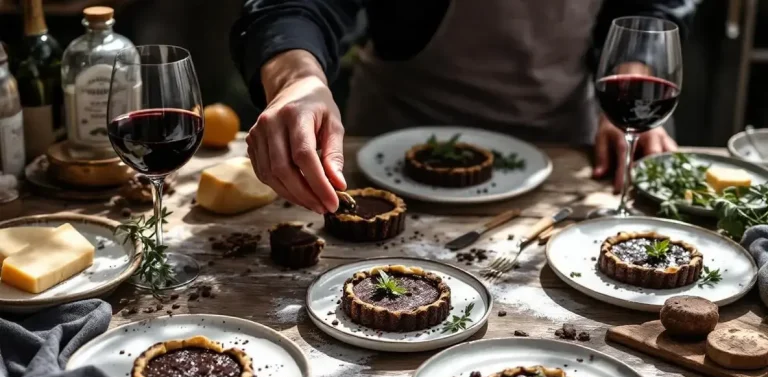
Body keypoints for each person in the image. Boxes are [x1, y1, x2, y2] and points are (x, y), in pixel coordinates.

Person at [230, 0, 696, 214]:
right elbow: (294, 5)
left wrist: (630, 79)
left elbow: (652, 5)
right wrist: (298, 80)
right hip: (388, 151)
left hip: (566, 157)